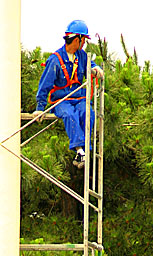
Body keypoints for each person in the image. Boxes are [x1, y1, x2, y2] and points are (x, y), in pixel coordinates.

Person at [33, 20, 104, 169]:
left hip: (79, 98)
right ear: (77, 39)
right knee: (69, 115)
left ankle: (82, 149)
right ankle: (80, 150)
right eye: (83, 40)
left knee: (87, 112)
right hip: (61, 100)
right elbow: (45, 85)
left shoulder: (82, 56)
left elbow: (90, 65)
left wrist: (96, 68)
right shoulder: (55, 60)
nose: (84, 43)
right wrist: (40, 107)